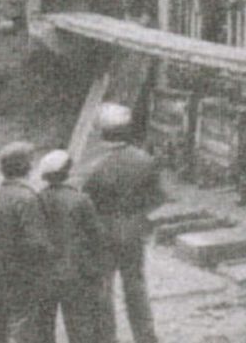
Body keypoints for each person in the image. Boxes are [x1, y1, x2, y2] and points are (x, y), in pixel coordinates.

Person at [82, 104, 166, 343]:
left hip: (102, 232)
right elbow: (158, 198)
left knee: (103, 290)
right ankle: (146, 337)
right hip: (132, 231)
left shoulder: (93, 165)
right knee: (136, 287)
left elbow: (85, 203)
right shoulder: (145, 160)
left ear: (102, 132)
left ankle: (106, 338)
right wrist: (139, 215)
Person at [0, 142, 51, 343]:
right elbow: (36, 244)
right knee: (21, 331)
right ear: (27, 166)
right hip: (20, 280)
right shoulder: (28, 198)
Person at [36, 150, 106, 343]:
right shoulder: (81, 200)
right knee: (79, 326)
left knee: (43, 328)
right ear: (67, 172)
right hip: (75, 273)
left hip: (45, 274)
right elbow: (97, 236)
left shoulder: (37, 199)